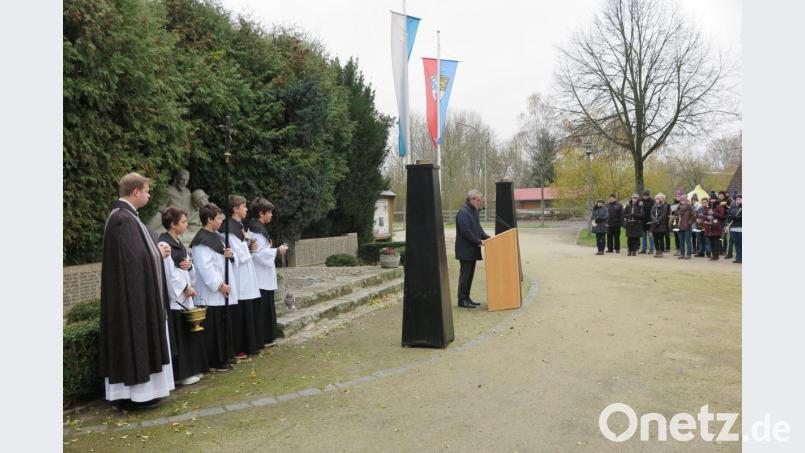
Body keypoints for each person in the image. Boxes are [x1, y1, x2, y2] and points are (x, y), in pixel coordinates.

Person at [99, 172, 175, 406]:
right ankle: (139, 396)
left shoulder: (124, 216)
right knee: (134, 337)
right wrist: (158, 253)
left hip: (128, 292)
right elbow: (134, 259)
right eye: (147, 190)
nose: (149, 194)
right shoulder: (124, 219)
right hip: (131, 297)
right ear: (136, 192)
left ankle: (136, 395)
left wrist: (153, 249)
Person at [159, 207, 209, 385]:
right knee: (179, 337)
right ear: (173, 224)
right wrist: (185, 287)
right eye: (183, 222)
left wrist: (190, 267)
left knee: (187, 336)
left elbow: (186, 266)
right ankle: (181, 375)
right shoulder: (164, 245)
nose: (187, 225)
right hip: (176, 300)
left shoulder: (178, 243)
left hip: (186, 298)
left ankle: (191, 369)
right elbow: (168, 274)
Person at [190, 203, 236, 371]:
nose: (221, 221)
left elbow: (220, 258)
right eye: (218, 219)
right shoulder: (201, 241)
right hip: (212, 293)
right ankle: (215, 361)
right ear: (209, 220)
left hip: (222, 291)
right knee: (214, 330)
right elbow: (205, 267)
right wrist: (219, 285)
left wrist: (229, 255)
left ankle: (224, 356)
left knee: (222, 327)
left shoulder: (216, 236)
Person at [220, 195, 263, 357]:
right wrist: (246, 244)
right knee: (241, 310)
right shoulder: (230, 228)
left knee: (249, 307)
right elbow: (236, 254)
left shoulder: (239, 225)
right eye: (243, 207)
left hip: (246, 272)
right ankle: (241, 347)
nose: (246, 209)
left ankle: (252, 344)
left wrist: (249, 245)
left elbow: (244, 249)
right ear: (235, 209)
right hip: (239, 274)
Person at [248, 197, 288, 345]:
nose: (271, 215)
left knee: (267, 305)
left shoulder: (259, 227)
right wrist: (277, 251)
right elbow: (258, 253)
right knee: (262, 307)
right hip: (260, 275)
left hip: (264, 274)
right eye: (269, 212)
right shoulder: (256, 230)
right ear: (261, 213)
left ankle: (268, 335)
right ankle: (264, 336)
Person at [455, 190, 491, 308]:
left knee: (470, 275)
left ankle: (467, 298)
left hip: (472, 249)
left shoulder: (473, 211)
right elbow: (466, 232)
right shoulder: (463, 212)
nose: (479, 203)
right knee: (465, 275)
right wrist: (479, 241)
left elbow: (478, 229)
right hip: (465, 250)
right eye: (478, 200)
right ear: (472, 199)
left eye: (480, 200)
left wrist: (488, 238)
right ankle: (462, 300)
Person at [702, 196, 726, 261]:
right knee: (711, 243)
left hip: (716, 227)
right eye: (710, 199)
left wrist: (713, 213)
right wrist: (707, 217)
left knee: (716, 243)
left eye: (713, 199)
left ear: (715, 199)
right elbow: (704, 215)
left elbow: (722, 216)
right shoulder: (708, 207)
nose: (712, 200)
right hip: (709, 227)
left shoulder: (719, 206)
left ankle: (716, 256)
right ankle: (713, 255)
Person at [675, 195, 696, 259]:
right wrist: (674, 218)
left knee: (688, 241)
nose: (682, 201)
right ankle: (682, 254)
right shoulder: (678, 208)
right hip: (679, 226)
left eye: (683, 200)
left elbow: (694, 216)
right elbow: (676, 216)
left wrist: (689, 223)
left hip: (687, 226)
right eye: (681, 200)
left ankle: (688, 254)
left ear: (686, 200)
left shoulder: (690, 207)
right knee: (681, 241)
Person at [649, 193, 670, 258]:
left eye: (658, 199)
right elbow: (651, 214)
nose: (657, 200)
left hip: (661, 225)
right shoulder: (654, 206)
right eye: (656, 199)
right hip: (654, 225)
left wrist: (658, 220)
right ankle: (657, 251)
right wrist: (654, 220)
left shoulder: (664, 206)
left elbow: (664, 215)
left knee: (661, 238)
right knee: (655, 239)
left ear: (661, 199)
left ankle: (661, 252)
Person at [727, 195, 742, 263]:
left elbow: (740, 217)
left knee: (741, 244)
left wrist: (734, 217)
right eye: (737, 199)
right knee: (736, 244)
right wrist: (733, 217)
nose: (738, 200)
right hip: (733, 228)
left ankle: (741, 258)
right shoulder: (733, 207)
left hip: (740, 228)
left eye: (739, 199)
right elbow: (728, 215)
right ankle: (738, 258)